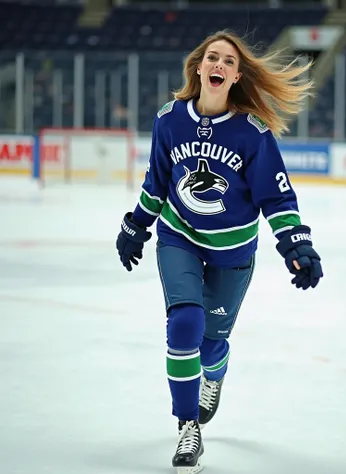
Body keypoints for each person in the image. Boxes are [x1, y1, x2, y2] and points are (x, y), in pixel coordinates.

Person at [116, 30, 324, 474]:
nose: (219, 65)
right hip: (179, 238)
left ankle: (215, 373)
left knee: (211, 346)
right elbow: (157, 181)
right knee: (184, 323)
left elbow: (278, 198)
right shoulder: (169, 120)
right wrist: (137, 224)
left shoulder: (253, 134)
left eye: (228, 62)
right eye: (213, 58)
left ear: (235, 76)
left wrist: (297, 243)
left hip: (233, 251)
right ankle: (188, 427)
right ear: (198, 67)